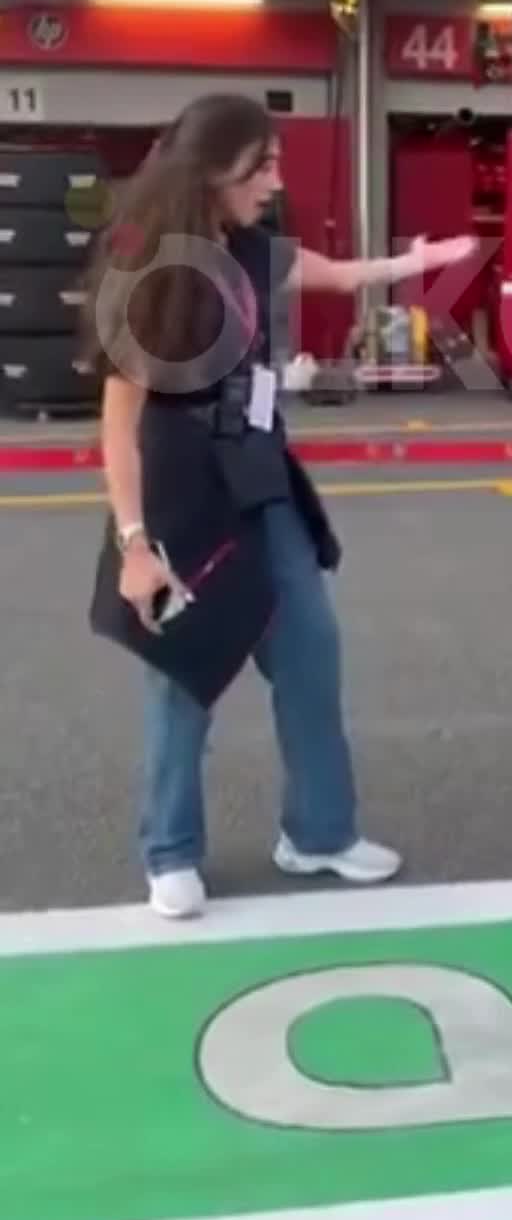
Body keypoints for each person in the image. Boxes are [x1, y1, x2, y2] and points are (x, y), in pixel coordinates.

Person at [86, 93, 476, 921]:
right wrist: (134, 543)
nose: (274, 181)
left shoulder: (253, 251)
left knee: (310, 652)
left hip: (262, 484)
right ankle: (170, 852)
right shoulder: (155, 270)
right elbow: (119, 424)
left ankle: (320, 834)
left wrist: (418, 262)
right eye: (260, 166)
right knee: (182, 677)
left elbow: (337, 273)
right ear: (211, 169)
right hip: (181, 501)